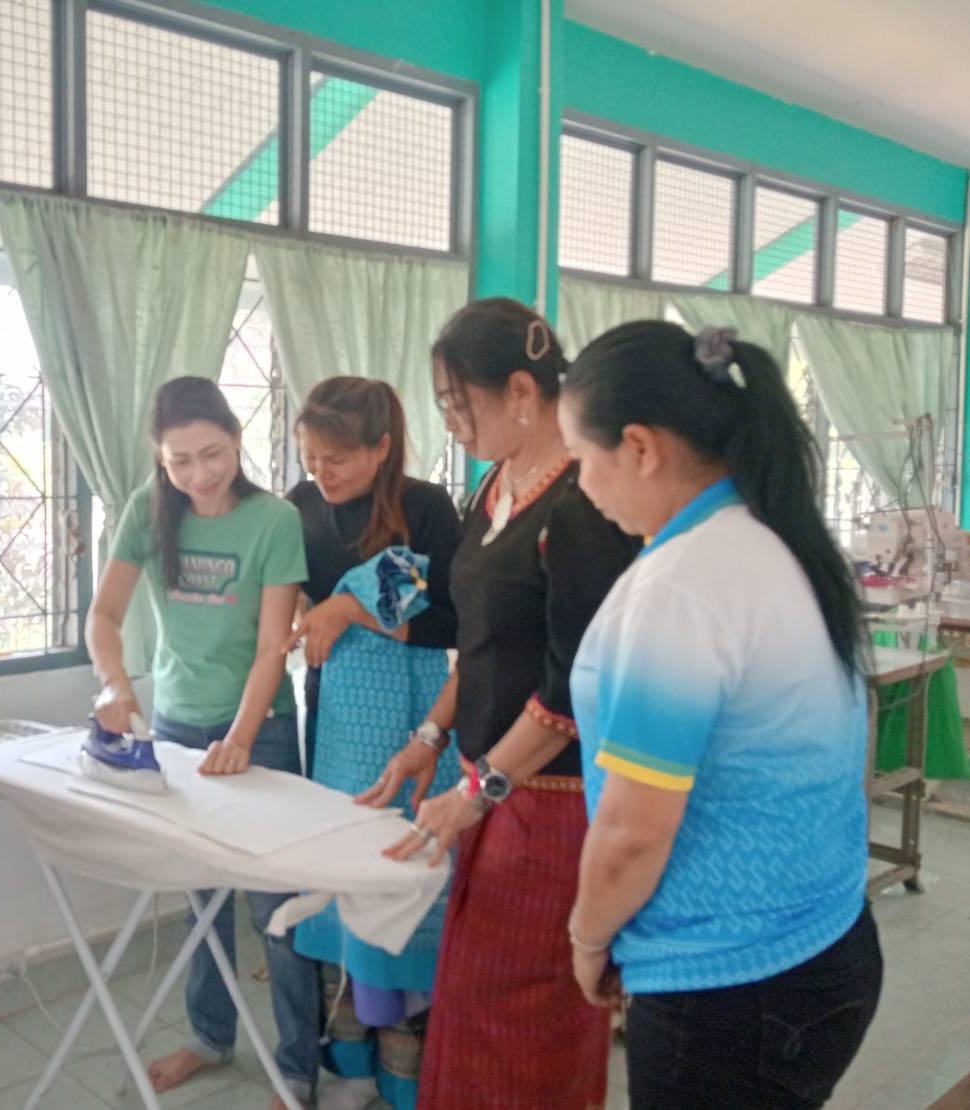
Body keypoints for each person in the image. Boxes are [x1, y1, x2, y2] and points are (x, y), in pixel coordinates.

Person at [561, 322, 882, 1110]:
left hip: (729, 990)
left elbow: (633, 832)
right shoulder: (780, 537)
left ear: (640, 447)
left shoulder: (681, 587)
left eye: (581, 459)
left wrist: (588, 936)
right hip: (829, 941)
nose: (583, 485)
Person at [364, 299, 640, 1109]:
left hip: (551, 805)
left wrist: (478, 789)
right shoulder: (495, 486)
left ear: (521, 390)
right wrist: (431, 735)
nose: (451, 423)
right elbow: (483, 642)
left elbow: (571, 685)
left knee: (526, 1022)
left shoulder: (582, 504)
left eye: (460, 404)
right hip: (489, 787)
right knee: (473, 1010)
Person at [86, 376, 321, 1109]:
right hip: (178, 727)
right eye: (179, 461)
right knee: (203, 902)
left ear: (238, 441)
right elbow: (103, 616)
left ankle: (297, 1068)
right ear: (160, 460)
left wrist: (242, 737)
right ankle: (211, 1038)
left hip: (261, 727)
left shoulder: (273, 520)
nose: (199, 474)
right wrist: (116, 686)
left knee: (277, 911)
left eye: (212, 454)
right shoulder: (146, 510)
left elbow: (272, 646)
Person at [282, 377, 462, 1110]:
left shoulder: (426, 507)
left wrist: (351, 609)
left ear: (382, 448)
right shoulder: (299, 506)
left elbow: (454, 622)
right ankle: (350, 1060)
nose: (321, 474)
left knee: (403, 879)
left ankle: (406, 1069)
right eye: (311, 458)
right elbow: (287, 601)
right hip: (335, 719)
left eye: (338, 460)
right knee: (339, 875)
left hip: (414, 719)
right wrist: (312, 611)